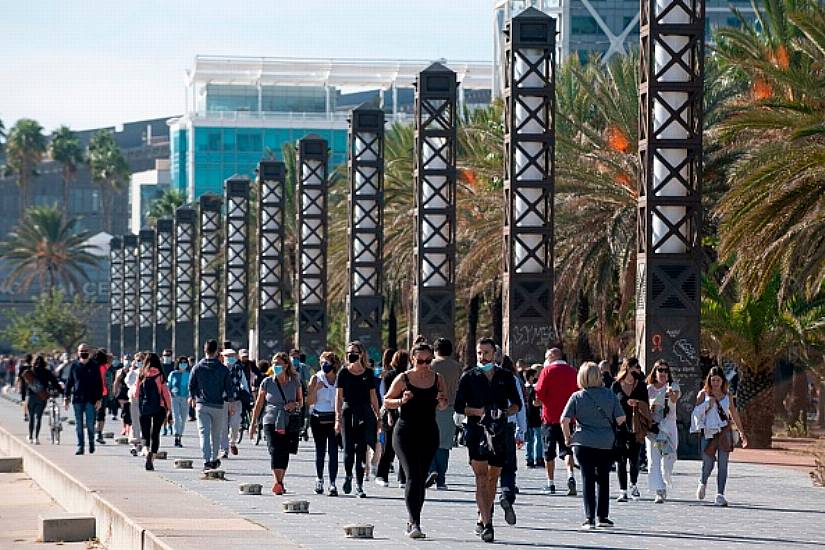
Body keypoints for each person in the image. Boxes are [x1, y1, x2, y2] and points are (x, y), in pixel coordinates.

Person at [454, 337, 522, 543]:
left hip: (500, 433)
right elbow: (458, 407)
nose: (482, 357)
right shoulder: (469, 377)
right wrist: (479, 412)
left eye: (486, 353)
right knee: (481, 478)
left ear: (495, 354)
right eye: (479, 353)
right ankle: (487, 523)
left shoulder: (506, 377)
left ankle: (484, 515)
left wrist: (503, 412)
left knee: (493, 478)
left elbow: (517, 404)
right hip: (476, 431)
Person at [383, 341, 448, 539]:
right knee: (412, 475)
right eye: (420, 361)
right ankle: (414, 522)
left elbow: (444, 404)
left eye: (429, 361)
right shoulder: (404, 378)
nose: (425, 365)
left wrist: (442, 401)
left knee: (420, 478)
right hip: (405, 433)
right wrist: (401, 400)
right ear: (412, 360)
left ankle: (413, 519)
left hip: (428, 432)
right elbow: (386, 400)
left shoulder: (437, 378)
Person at [561, 362, 627, 530]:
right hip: (606, 443)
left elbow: (564, 420)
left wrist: (568, 438)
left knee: (587, 478)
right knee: (604, 479)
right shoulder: (610, 395)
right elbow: (621, 419)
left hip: (583, 443)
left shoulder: (577, 396)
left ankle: (589, 518)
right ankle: (602, 517)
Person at [692, 366, 748, 507]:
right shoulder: (703, 394)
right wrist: (707, 406)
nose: (715, 383)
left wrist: (742, 432)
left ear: (723, 381)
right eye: (713, 380)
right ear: (709, 381)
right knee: (708, 464)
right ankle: (703, 481)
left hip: (724, 432)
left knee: (723, 465)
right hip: (708, 433)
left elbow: (733, 413)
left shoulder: (727, 395)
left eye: (718, 380)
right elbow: (696, 414)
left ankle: (720, 494)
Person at [250, 352, 303, 495]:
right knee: (274, 449)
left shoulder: (294, 381)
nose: (275, 366)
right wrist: (253, 423)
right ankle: (277, 482)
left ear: (286, 365)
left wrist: (294, 404)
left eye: (278, 364)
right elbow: (259, 404)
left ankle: (280, 481)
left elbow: (301, 402)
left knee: (284, 451)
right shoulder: (267, 382)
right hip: (270, 419)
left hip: (288, 420)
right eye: (273, 363)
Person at [335, 341, 382, 498]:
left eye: (354, 352)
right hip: (348, 412)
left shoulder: (368, 373)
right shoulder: (343, 372)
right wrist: (337, 418)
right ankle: (348, 475)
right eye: (348, 352)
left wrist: (378, 415)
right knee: (348, 449)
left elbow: (373, 395)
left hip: (364, 412)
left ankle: (359, 485)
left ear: (361, 354)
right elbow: (339, 397)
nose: (351, 355)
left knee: (362, 450)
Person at [534, 347, 578, 496]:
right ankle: (570, 475)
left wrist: (538, 402)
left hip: (550, 418)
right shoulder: (573, 372)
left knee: (549, 452)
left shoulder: (547, 372)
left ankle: (550, 483)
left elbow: (539, 394)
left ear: (552, 357)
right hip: (568, 418)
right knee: (567, 450)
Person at [188, 340, 234, 470]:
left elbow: (191, 385)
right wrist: (231, 402)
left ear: (205, 350)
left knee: (204, 434)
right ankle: (214, 459)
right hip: (218, 406)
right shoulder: (223, 369)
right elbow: (229, 387)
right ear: (216, 352)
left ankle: (206, 460)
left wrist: (193, 397)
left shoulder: (197, 367)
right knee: (216, 434)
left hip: (202, 405)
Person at [610, 357, 649, 502]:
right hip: (619, 427)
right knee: (620, 460)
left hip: (636, 427)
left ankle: (633, 484)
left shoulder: (641, 385)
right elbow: (611, 404)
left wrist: (637, 402)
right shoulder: (616, 385)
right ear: (627, 368)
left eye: (639, 368)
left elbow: (646, 405)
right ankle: (623, 490)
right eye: (635, 367)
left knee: (634, 458)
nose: (638, 370)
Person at [427, 337, 462, 490]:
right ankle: (441, 479)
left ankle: (432, 469)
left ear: (435, 351)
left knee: (428, 441)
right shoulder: (457, 366)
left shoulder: (431, 365)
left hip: (432, 407)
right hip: (451, 407)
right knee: (445, 444)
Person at [497, 355, 527, 526]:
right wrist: (521, 431)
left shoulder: (478, 376)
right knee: (508, 468)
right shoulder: (512, 379)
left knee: (488, 472)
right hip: (508, 426)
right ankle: (507, 495)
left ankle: (484, 516)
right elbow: (519, 405)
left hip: (487, 427)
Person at [646, 359, 680, 503]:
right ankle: (659, 490)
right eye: (660, 370)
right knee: (654, 459)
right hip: (653, 429)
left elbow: (675, 399)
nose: (663, 373)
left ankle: (665, 481)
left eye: (666, 370)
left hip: (667, 429)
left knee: (668, 459)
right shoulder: (649, 389)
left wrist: (671, 395)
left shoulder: (672, 387)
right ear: (655, 372)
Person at [307, 351, 340, 496]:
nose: (323, 366)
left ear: (333, 364)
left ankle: (332, 483)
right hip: (318, 417)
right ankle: (319, 479)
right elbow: (309, 401)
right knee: (320, 450)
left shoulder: (339, 379)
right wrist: (316, 389)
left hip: (334, 417)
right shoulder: (316, 378)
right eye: (321, 363)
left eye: (326, 363)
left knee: (334, 451)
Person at [375, 350, 409, 488]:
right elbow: (387, 397)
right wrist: (389, 413)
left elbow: (383, 395)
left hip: (395, 413)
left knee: (390, 447)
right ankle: (398, 478)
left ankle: (385, 476)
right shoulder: (396, 376)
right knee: (398, 447)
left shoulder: (395, 375)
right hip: (394, 413)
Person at [134, 353, 172, 471]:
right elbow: (165, 393)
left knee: (145, 435)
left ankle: (146, 452)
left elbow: (136, 394)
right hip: (159, 407)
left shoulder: (141, 375)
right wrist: (169, 408)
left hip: (145, 408)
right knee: (155, 434)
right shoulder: (160, 375)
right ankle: (152, 455)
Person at [64, 343, 103, 455]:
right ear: (78, 352)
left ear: (89, 352)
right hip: (77, 399)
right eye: (82, 351)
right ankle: (80, 446)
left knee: (90, 424)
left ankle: (91, 442)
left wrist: (99, 399)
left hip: (91, 400)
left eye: (86, 350)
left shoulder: (95, 366)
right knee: (79, 424)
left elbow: (99, 384)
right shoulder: (74, 365)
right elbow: (69, 382)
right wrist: (66, 396)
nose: (84, 352)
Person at [21, 355, 62, 444]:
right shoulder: (47, 372)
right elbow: (55, 383)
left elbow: (24, 386)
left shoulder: (30, 371)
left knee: (31, 417)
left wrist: (23, 397)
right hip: (42, 397)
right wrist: (63, 392)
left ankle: (31, 437)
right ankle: (36, 438)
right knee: (38, 417)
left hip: (31, 396)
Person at [219, 348, 249, 458]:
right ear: (223, 357)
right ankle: (224, 449)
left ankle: (232, 442)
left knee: (235, 424)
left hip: (236, 400)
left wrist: (247, 394)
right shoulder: (219, 369)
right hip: (222, 401)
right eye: (227, 356)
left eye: (232, 356)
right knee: (223, 426)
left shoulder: (238, 368)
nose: (230, 358)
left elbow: (244, 383)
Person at [168, 356, 191, 447]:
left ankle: (180, 435)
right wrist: (169, 395)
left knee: (183, 418)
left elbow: (191, 386)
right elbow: (168, 385)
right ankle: (176, 436)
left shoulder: (189, 374)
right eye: (181, 362)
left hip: (185, 398)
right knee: (176, 418)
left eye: (185, 362)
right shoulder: (173, 374)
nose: (183, 364)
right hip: (175, 397)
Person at [523, 368, 544, 468]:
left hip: (526, 416)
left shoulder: (523, 388)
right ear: (531, 377)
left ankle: (529, 458)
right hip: (535, 415)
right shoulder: (533, 389)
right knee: (538, 438)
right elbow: (535, 403)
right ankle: (539, 458)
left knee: (529, 438)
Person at [93, 349, 111, 446]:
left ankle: (93, 431)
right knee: (101, 414)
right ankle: (99, 434)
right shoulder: (104, 367)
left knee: (92, 412)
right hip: (103, 393)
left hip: (91, 393)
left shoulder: (91, 367)